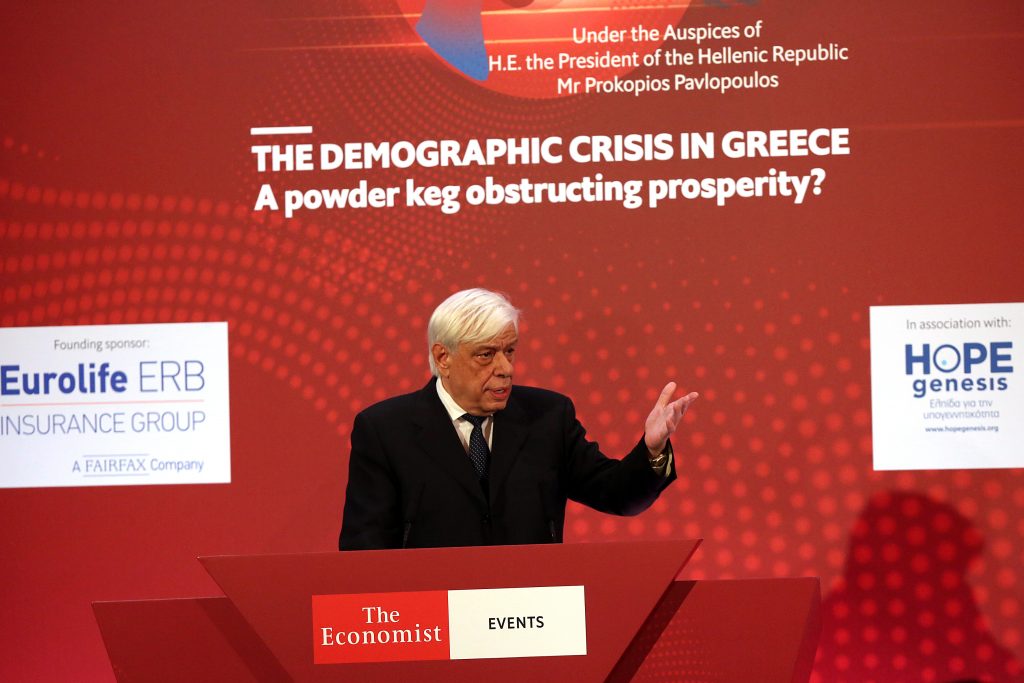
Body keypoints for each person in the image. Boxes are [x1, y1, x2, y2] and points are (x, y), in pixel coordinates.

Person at [339, 288, 698, 550]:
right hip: (434, 615)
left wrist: (652, 450)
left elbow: (619, 495)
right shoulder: (385, 430)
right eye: (486, 355)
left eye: (509, 351)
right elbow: (364, 547)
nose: (505, 368)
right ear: (443, 358)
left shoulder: (548, 417)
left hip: (531, 613)